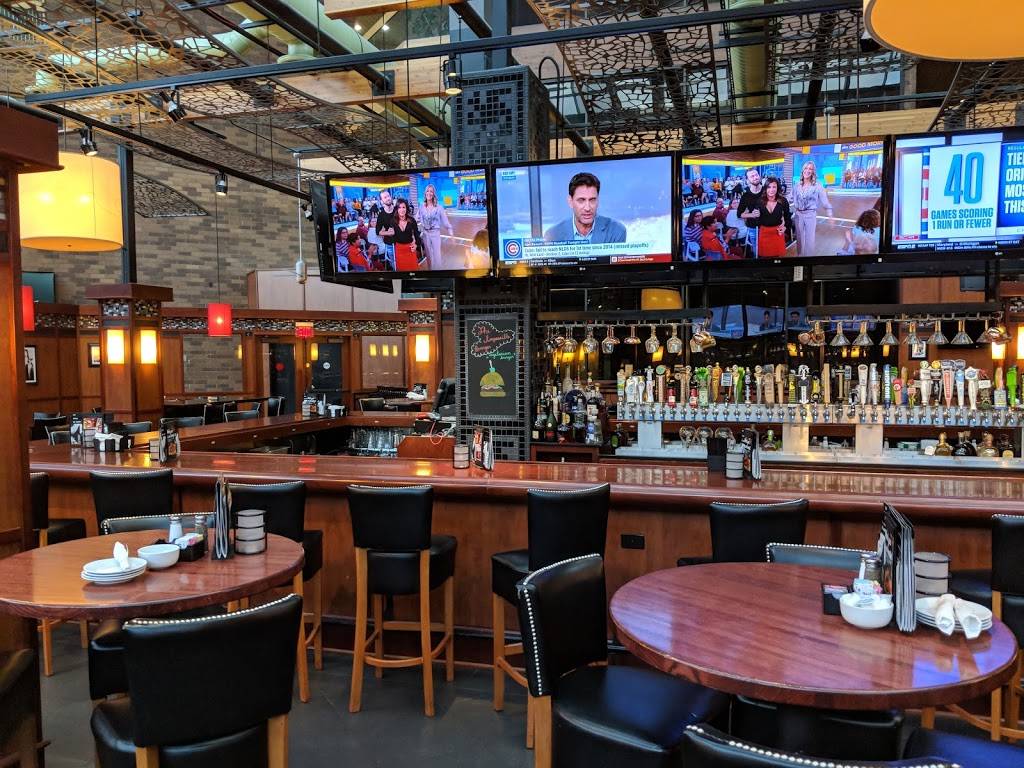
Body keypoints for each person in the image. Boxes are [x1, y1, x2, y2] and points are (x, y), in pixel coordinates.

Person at [544, 172, 627, 244]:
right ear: (570, 201)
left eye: (592, 200)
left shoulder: (616, 231)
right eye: (581, 200)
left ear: (598, 200)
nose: (587, 208)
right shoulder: (553, 235)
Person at [789, 160, 834, 257]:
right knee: (799, 240)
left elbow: (825, 201)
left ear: (813, 172)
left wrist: (830, 215)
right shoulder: (797, 185)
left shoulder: (817, 185)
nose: (807, 170)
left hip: (810, 215)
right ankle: (800, 258)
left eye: (810, 169)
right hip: (798, 215)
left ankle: (808, 260)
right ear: (803, 170)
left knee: (810, 240)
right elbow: (789, 198)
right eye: (806, 168)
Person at [416, 183, 453, 271]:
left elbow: (445, 221)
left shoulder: (439, 207)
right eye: (427, 191)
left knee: (437, 256)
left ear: (433, 194)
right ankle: (430, 272)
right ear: (425, 193)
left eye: (431, 191)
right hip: (425, 234)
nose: (429, 193)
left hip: (435, 233)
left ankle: (438, 273)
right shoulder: (421, 207)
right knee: (428, 256)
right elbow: (416, 218)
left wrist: (451, 232)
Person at [754, 177, 793, 258]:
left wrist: (785, 227)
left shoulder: (783, 201)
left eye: (774, 187)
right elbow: (756, 222)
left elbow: (788, 217)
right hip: (764, 233)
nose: (771, 190)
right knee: (765, 260)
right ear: (765, 188)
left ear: (778, 188)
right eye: (769, 187)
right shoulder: (760, 201)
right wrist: (755, 216)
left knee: (777, 260)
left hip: (778, 233)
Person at [738, 167, 764, 257]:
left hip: (767, 226)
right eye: (752, 176)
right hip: (753, 227)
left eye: (756, 175)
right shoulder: (745, 196)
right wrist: (751, 215)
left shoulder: (767, 191)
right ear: (748, 180)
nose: (755, 177)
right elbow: (739, 214)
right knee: (757, 252)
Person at [391, 198, 424, 271]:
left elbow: (417, 235)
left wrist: (416, 244)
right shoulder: (393, 221)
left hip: (410, 249)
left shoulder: (412, 220)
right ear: (397, 209)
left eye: (404, 207)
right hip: (399, 250)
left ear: (406, 208)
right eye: (399, 207)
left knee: (413, 271)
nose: (402, 210)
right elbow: (392, 237)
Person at [374, 189, 398, 269]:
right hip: (390, 243)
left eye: (388, 196)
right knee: (393, 263)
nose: (387, 198)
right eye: (385, 197)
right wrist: (388, 233)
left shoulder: (398, 210)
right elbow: (377, 231)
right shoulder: (381, 215)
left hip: (401, 241)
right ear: (382, 201)